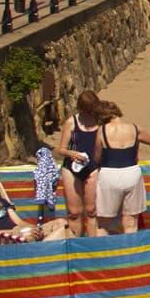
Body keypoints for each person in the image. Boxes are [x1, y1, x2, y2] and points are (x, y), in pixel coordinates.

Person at [93, 101, 150, 235]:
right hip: (131, 173)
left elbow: (97, 157)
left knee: (103, 223)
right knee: (130, 221)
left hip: (109, 173)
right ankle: (130, 253)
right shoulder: (134, 128)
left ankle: (103, 253)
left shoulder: (102, 131)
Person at [0, 166, 68, 241]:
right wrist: (17, 232)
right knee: (29, 236)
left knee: (62, 223)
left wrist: (34, 229)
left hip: (19, 230)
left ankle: (42, 249)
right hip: (5, 236)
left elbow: (19, 221)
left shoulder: (0, 200)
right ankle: (41, 250)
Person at [58, 90, 103, 237]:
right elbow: (61, 149)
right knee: (74, 212)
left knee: (91, 210)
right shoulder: (71, 122)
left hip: (93, 167)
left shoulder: (100, 122)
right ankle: (75, 244)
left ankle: (92, 245)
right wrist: (73, 154)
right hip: (72, 167)